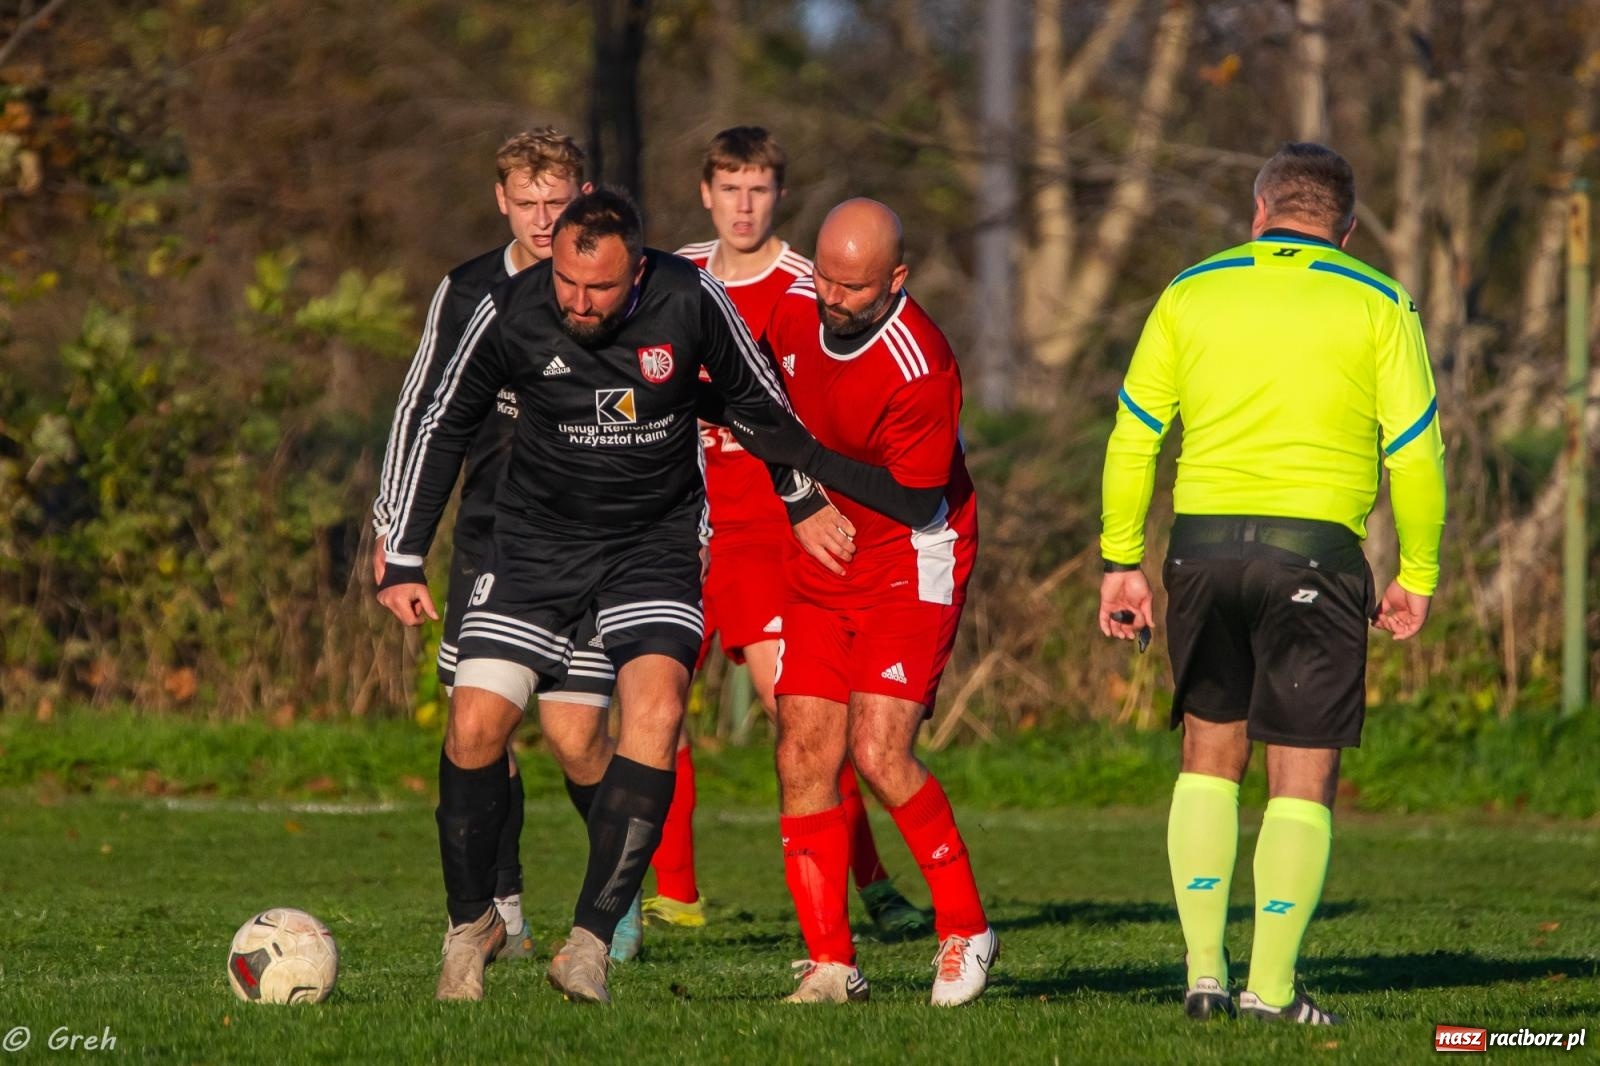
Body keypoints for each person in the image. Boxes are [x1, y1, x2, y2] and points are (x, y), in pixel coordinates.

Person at [377, 187, 879, 1005]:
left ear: (638, 271)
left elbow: (758, 401)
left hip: (654, 545)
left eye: (599, 290)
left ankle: (589, 942)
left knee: (656, 710)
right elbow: (442, 423)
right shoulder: (512, 310)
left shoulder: (690, 299)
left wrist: (803, 497)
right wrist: (402, 553)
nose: (578, 303)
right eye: (567, 285)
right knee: (478, 726)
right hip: (533, 548)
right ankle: (472, 924)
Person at [1097, 142, 1446, 1025]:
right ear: (1348, 228)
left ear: (1259, 212)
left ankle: (1204, 976)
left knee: (1208, 759)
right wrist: (1418, 573)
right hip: (1314, 555)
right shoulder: (1380, 301)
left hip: (1201, 550)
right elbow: (1417, 453)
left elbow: (1135, 435)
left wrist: (1119, 560)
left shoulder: (1191, 290)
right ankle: (1274, 990)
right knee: (1302, 773)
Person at [369, 129, 641, 967]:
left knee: (575, 738)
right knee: (480, 722)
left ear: (582, 195)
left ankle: (616, 896)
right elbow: (424, 411)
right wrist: (396, 535)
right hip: (492, 537)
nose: (540, 217)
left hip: (593, 538)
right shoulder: (469, 291)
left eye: (555, 202)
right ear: (500, 201)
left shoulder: (617, 287)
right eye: (525, 203)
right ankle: (504, 907)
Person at [645, 126, 926, 937]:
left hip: (772, 529)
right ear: (706, 192)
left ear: (779, 195)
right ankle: (668, 896)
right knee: (648, 699)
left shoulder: (813, 285)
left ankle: (870, 888)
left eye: (758, 188)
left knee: (798, 713)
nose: (743, 204)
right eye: (729, 187)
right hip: (675, 523)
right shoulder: (673, 277)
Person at [751, 198, 995, 1006]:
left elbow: (919, 497)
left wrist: (808, 459)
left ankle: (965, 930)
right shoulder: (791, 302)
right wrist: (799, 498)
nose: (831, 297)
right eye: (825, 274)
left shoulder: (921, 367)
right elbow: (758, 407)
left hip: (910, 553)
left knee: (879, 753)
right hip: (823, 546)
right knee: (800, 755)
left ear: (896, 278)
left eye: (854, 286)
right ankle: (831, 965)